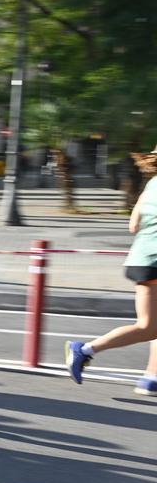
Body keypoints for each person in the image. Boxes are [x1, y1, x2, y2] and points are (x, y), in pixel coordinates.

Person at [68, 146, 157, 393]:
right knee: (147, 327)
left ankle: (151, 378)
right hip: (154, 261)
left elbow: (133, 225)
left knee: (152, 325)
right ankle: (84, 349)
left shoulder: (151, 185)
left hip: (142, 258)